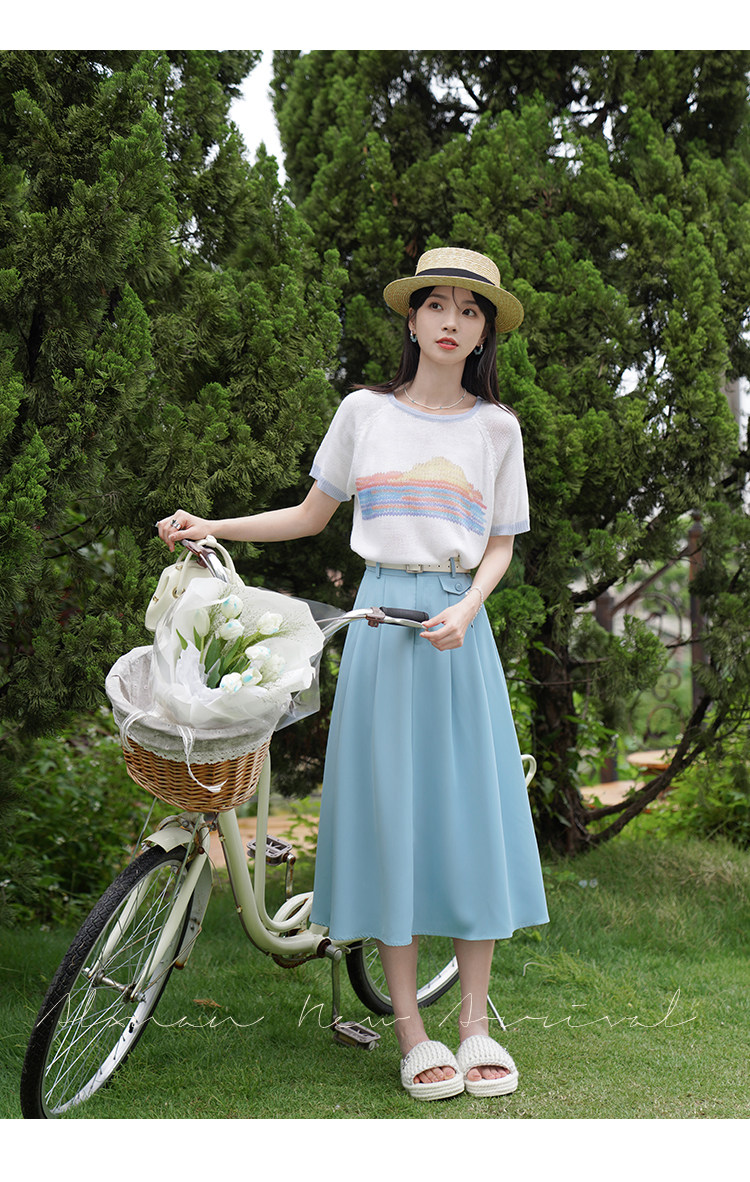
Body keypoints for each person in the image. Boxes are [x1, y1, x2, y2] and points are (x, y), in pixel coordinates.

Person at [157, 246, 549, 1101]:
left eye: (470, 311)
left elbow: (501, 544)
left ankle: (474, 1023)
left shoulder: (496, 429)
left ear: (485, 332)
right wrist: (211, 525)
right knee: (389, 821)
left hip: (458, 635)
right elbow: (311, 515)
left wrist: (469, 606)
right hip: (379, 628)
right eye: (437, 305)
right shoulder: (363, 412)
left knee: (469, 819)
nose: (452, 322)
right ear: (412, 318)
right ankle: (411, 1030)